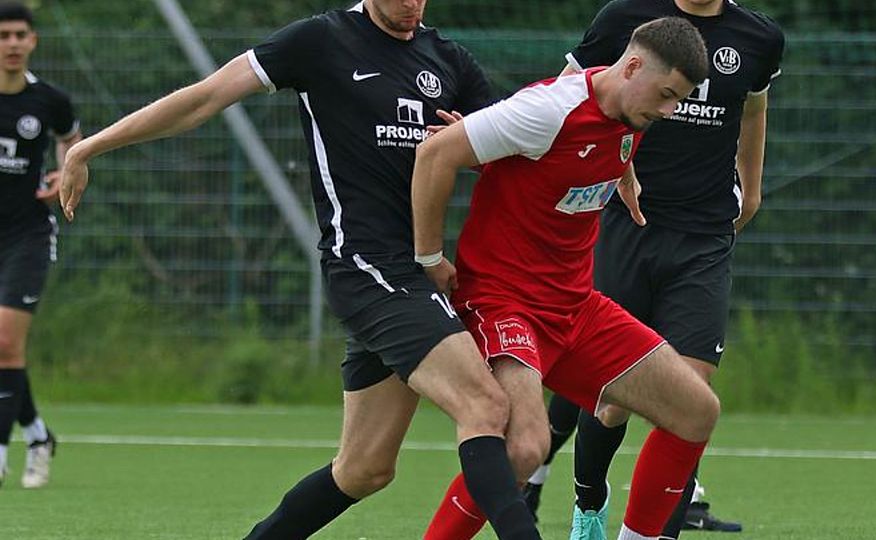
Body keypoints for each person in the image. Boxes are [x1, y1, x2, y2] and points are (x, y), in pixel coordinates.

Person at [59, 1, 542, 538]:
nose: (413, 4)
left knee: (364, 470)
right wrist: (90, 146)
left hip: (418, 275)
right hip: (365, 267)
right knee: (483, 404)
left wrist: (476, 145)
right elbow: (206, 97)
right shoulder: (321, 40)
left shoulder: (447, 58)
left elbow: (517, 149)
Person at [414, 17, 719, 540]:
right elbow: (435, 153)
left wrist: (622, 173)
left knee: (697, 410)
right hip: (505, 302)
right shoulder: (548, 109)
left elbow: (578, 154)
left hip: (575, 306)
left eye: (679, 101)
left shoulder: (628, 111)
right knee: (522, 447)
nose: (669, 111)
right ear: (633, 66)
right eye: (667, 95)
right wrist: (429, 257)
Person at [522, 0, 785, 537]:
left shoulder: (758, 36)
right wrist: (599, 170)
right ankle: (588, 503)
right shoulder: (625, 18)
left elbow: (754, 111)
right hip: (626, 225)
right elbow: (572, 96)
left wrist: (751, 188)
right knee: (613, 396)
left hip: (704, 234)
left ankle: (646, 534)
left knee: (691, 397)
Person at [0, 1, 81, 490]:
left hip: (27, 234)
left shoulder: (49, 100)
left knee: (6, 342)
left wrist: (61, 175)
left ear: (32, 42)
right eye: (3, 35)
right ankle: (38, 434)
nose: (11, 44)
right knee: (2, 349)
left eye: (18, 35)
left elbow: (72, 143)